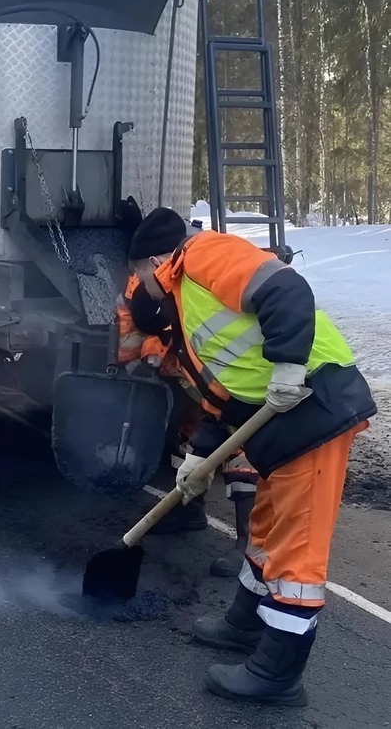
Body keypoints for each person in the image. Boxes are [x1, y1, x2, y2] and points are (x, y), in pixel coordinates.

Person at [127, 207, 376, 706]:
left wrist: (287, 366)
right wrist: (200, 458)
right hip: (281, 424)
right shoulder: (186, 298)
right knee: (264, 534)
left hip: (313, 408)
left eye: (135, 277)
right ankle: (243, 624)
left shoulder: (203, 255)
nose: (136, 289)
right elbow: (226, 390)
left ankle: (277, 675)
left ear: (153, 260)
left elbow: (287, 290)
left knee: (295, 553)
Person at [117, 267, 259, 578]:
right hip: (183, 369)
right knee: (188, 435)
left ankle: (248, 544)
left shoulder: (203, 291)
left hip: (234, 377)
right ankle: (188, 510)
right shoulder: (139, 286)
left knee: (238, 448)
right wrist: (135, 362)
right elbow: (132, 327)